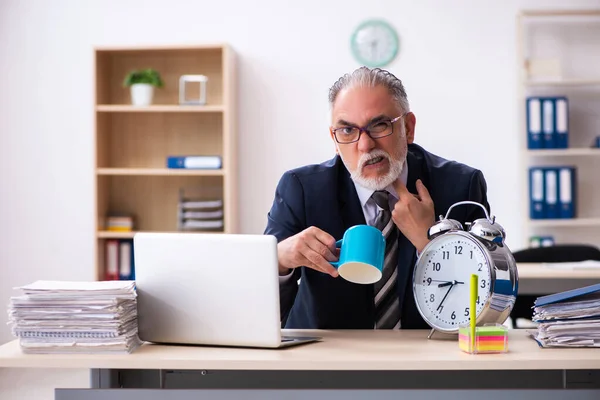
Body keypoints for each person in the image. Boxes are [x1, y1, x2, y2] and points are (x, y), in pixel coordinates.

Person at [264, 66, 490, 330]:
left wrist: (428, 243)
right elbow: (260, 311)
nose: (365, 145)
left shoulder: (460, 187)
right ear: (334, 141)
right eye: (347, 131)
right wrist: (280, 260)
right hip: (326, 359)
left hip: (428, 358)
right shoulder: (301, 189)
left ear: (408, 127)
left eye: (379, 125)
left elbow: (483, 310)